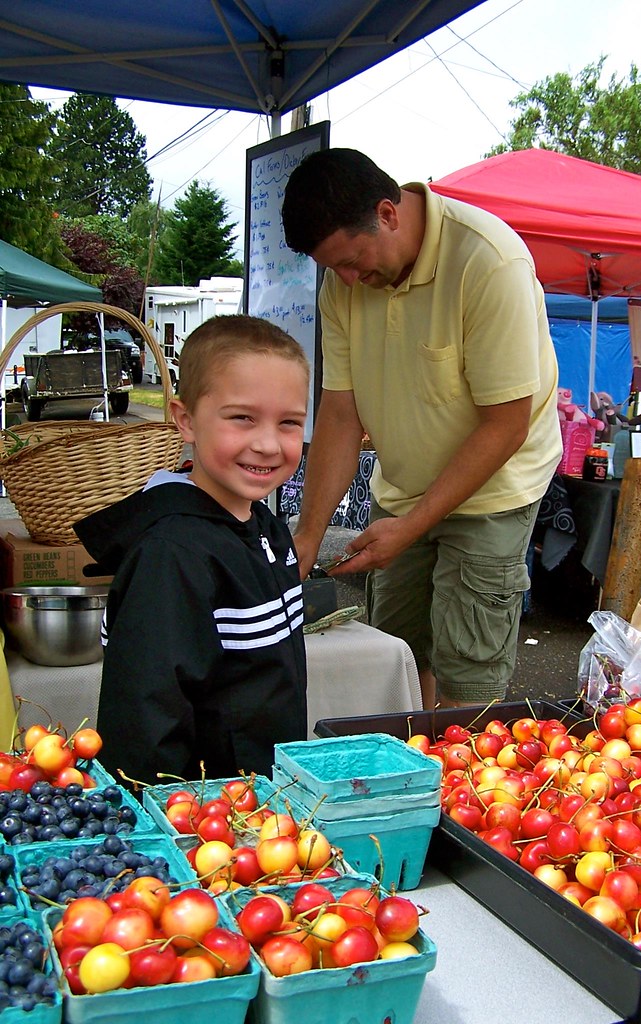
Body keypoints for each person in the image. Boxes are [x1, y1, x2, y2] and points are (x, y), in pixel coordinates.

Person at [281, 148, 562, 710]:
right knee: (397, 655)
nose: (346, 280)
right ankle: (411, 778)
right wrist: (307, 537)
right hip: (403, 486)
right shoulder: (345, 285)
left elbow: (505, 426)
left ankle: (465, 787)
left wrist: (410, 527)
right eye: (333, 268)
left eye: (353, 261)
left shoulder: (488, 261)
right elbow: (341, 410)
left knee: (467, 672)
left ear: (388, 213)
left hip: (494, 491)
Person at [75, 315, 309, 783]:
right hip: (203, 816)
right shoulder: (172, 554)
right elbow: (146, 713)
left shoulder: (265, 524)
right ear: (185, 420)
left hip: (265, 799)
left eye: (289, 423)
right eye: (242, 418)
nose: (267, 444)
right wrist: (166, 817)